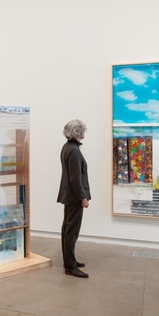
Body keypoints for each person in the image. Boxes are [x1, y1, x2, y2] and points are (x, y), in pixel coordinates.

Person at [57, 119, 91, 278]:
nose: (84, 133)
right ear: (78, 132)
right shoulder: (74, 151)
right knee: (71, 232)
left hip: (68, 195)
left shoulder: (67, 147)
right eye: (82, 130)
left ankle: (69, 261)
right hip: (74, 197)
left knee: (67, 230)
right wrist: (83, 198)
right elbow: (75, 179)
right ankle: (70, 267)